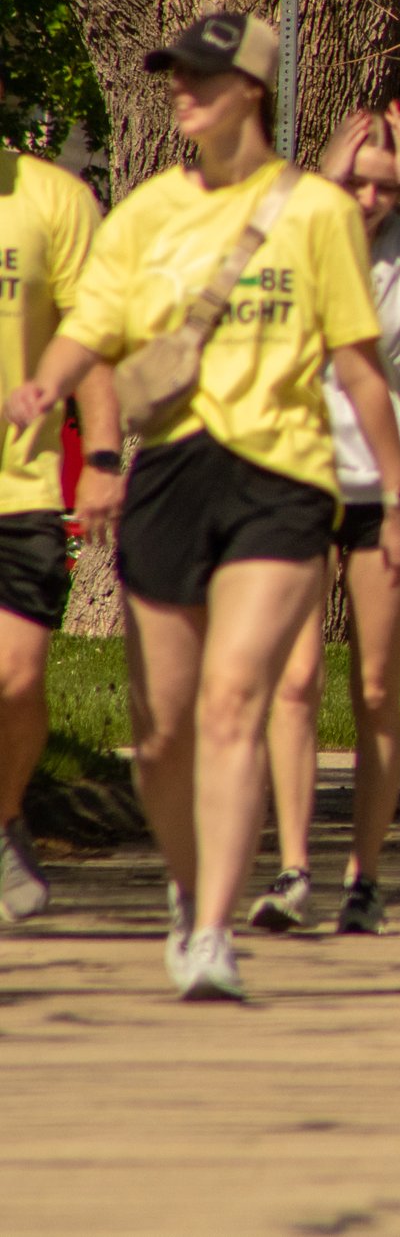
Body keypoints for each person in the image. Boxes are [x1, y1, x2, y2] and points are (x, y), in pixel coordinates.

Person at [12, 10, 400, 1000]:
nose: (180, 91)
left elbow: (361, 369)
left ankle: (210, 930)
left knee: (239, 695)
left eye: (200, 75)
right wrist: (46, 382)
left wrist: (399, 499)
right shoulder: (146, 212)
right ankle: (189, 887)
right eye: (174, 75)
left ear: (251, 90)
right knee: (162, 728)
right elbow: (94, 327)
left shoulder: (315, 214)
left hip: (282, 473)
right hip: (172, 472)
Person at [251, 103, 400, 938]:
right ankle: (294, 867)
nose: (370, 199)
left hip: (391, 490)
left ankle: (364, 877)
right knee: (295, 678)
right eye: (359, 182)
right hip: (296, 478)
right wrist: (320, 181)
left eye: (384, 188)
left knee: (376, 685)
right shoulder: (299, 242)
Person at [0, 79, 122, 927]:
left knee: (16, 675)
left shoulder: (55, 197)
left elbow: (98, 337)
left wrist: (105, 456)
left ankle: (6, 819)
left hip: (23, 483)